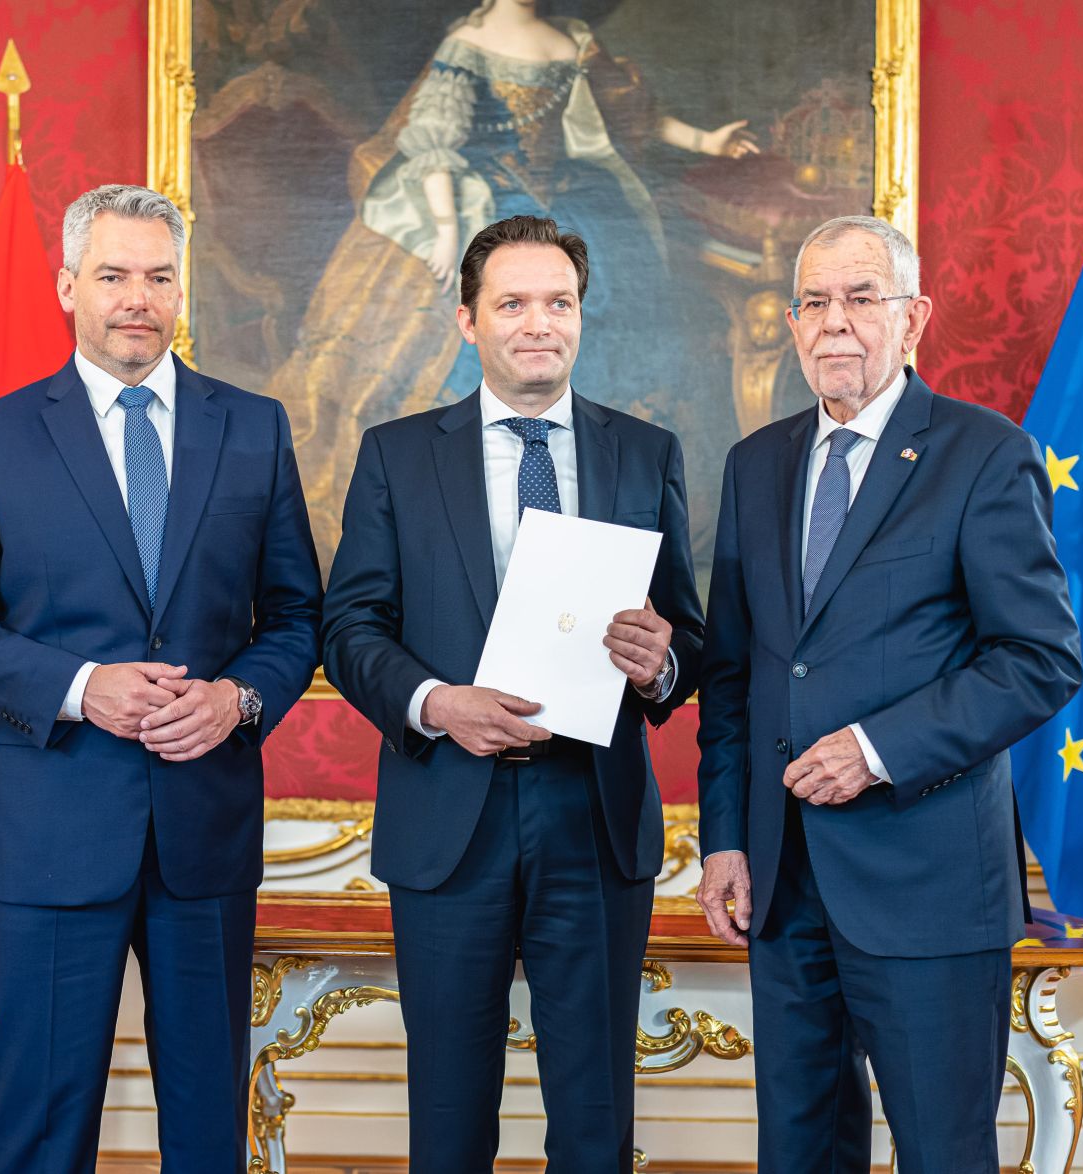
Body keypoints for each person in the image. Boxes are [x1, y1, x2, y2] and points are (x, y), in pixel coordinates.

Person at [0, 184, 322, 1173]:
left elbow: (298, 617)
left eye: (158, 276)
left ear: (182, 290)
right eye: (113, 274)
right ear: (66, 286)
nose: (138, 297)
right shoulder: (0, 434)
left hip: (203, 833)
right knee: (40, 1129)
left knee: (208, 1126)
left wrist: (238, 697)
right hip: (50, 829)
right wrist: (79, 685)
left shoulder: (252, 429)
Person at [695, 215, 1082, 1172]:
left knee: (943, 1156)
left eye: (862, 298)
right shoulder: (757, 464)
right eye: (815, 302)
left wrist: (876, 748)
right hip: (784, 891)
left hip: (931, 886)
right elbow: (735, 675)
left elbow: (1039, 658)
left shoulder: (983, 454)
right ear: (791, 324)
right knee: (801, 1155)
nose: (836, 323)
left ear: (913, 320)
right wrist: (728, 837)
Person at [323, 214, 704, 1172]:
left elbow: (690, 639)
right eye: (513, 303)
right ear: (468, 320)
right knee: (449, 1119)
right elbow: (349, 629)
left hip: (596, 814)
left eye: (559, 303)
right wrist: (434, 703)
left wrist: (660, 662)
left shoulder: (644, 452)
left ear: (581, 317)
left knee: (595, 1119)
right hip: (449, 815)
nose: (539, 323)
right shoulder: (397, 454)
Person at [260, 0, 756, 556]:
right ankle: (473, 517)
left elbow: (630, 116)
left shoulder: (571, 38)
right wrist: (447, 229)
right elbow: (434, 142)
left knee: (610, 326)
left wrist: (706, 142)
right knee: (487, 324)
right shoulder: (469, 43)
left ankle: (597, 523)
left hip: (573, 204)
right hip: (488, 201)